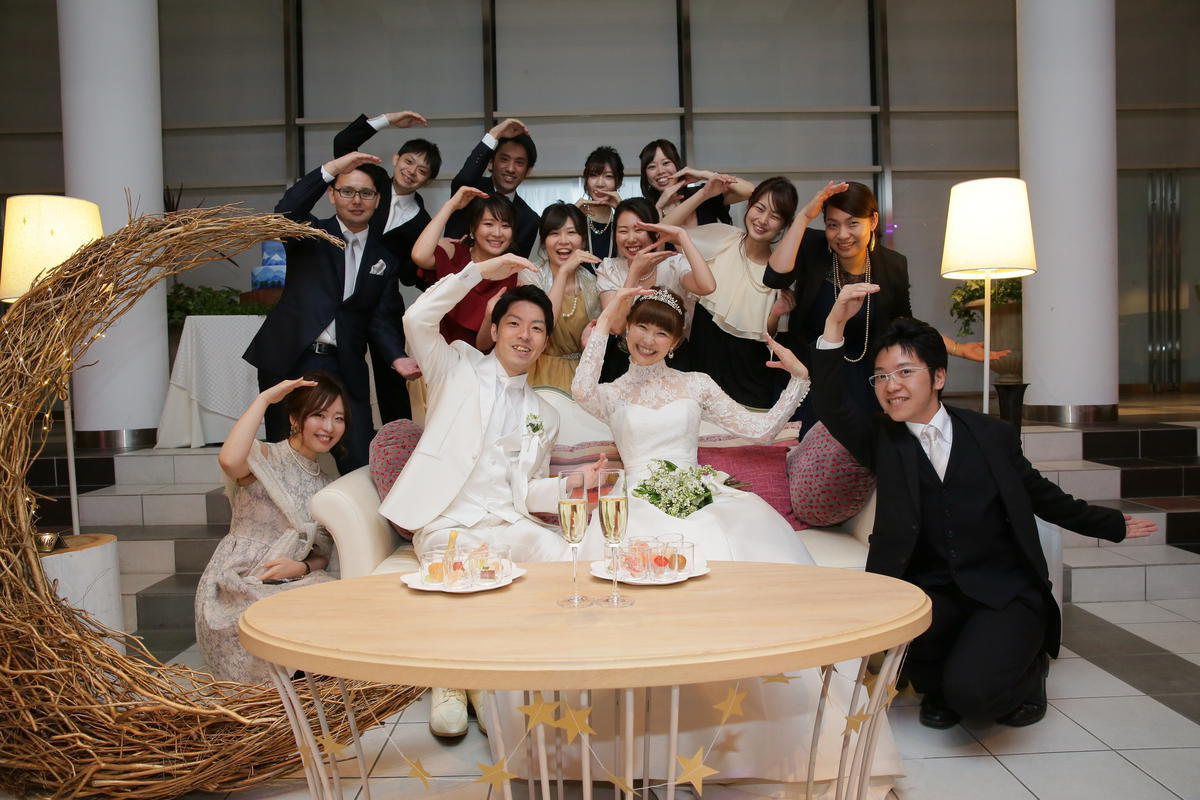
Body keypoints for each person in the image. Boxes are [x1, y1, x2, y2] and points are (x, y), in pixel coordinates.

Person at [491, 286, 899, 795]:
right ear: (626, 331)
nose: (648, 339)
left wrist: (798, 380)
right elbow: (580, 385)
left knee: (732, 578)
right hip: (635, 503)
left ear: (677, 340)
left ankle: (746, 742)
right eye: (641, 326)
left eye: (661, 331)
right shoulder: (610, 393)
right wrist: (612, 310)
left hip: (698, 494)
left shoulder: (697, 384)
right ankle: (631, 748)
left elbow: (761, 430)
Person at [813, 285, 1157, 729]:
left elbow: (1040, 494)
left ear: (938, 377)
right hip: (931, 592)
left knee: (973, 698)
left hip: (1001, 590)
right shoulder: (881, 438)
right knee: (933, 685)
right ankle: (943, 683)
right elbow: (832, 404)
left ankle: (1030, 670)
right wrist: (835, 323)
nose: (891, 386)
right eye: (880, 377)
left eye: (904, 372)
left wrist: (1110, 524)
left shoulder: (991, 435)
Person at [378, 252, 605, 737]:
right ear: (496, 329)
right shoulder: (454, 367)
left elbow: (527, 491)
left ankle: (554, 672)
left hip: (508, 523)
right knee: (462, 574)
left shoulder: (546, 413)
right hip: (448, 521)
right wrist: (477, 272)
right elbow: (416, 318)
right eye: (515, 324)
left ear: (545, 341)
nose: (525, 335)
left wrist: (571, 484)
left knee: (566, 560)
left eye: (537, 328)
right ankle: (456, 683)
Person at [764, 181, 1003, 435]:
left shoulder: (892, 265)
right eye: (833, 225)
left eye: (853, 223)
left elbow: (905, 324)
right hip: (811, 378)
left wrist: (958, 349)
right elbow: (774, 278)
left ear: (873, 221)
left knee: (866, 449)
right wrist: (804, 215)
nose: (842, 234)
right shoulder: (812, 247)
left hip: (865, 383)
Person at [243, 151, 408, 473]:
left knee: (359, 456)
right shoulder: (310, 234)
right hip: (291, 357)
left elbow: (381, 320)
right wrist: (332, 169)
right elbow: (286, 211)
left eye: (366, 193)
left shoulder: (384, 258)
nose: (356, 200)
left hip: (344, 364)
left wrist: (395, 357)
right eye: (347, 191)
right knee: (284, 455)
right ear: (332, 194)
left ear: (377, 200)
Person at [195, 373, 345, 684]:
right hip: (239, 579)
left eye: (338, 418)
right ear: (295, 418)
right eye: (319, 415)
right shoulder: (265, 456)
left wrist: (301, 566)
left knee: (340, 603)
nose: (329, 427)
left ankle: (314, 700)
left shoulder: (325, 481)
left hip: (290, 580)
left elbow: (322, 553)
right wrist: (264, 399)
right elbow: (229, 460)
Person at [333, 108, 440, 424]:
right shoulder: (370, 182)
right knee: (342, 372)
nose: (412, 172)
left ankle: (398, 440)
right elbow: (343, 144)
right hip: (344, 292)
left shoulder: (423, 222)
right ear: (396, 159)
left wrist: (442, 259)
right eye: (409, 161)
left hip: (384, 302)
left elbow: (410, 274)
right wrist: (388, 121)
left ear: (428, 180)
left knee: (394, 377)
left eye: (422, 170)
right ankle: (348, 434)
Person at [662, 174, 800, 409]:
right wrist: (704, 193)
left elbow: (769, 335)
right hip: (704, 361)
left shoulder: (780, 271)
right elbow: (666, 231)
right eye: (759, 208)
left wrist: (776, 314)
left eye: (775, 216)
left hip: (749, 376)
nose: (763, 220)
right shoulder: (723, 237)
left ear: (784, 225)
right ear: (749, 206)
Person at [594, 197, 716, 378]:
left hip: (672, 360)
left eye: (639, 230)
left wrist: (682, 236)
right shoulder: (609, 269)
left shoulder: (673, 265)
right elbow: (617, 326)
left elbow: (707, 286)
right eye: (623, 231)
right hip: (625, 361)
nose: (631, 238)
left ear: (654, 232)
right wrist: (634, 273)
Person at [499, 203, 602, 392]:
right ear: (544, 241)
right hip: (535, 369)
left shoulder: (592, 283)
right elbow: (544, 324)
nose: (563, 240)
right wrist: (563, 273)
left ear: (583, 241)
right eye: (554, 233)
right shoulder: (530, 274)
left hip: (580, 375)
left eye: (571, 233)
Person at [410, 186, 518, 348]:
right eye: (488, 224)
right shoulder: (455, 253)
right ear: (473, 228)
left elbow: (485, 345)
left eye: (505, 226)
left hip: (479, 360)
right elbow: (419, 255)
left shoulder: (513, 273)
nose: (497, 233)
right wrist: (451, 205)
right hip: (434, 352)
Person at [446, 117, 540, 257]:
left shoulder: (529, 219)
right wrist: (494, 134)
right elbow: (465, 178)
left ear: (528, 170)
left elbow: (515, 264)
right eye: (504, 159)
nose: (510, 168)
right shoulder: (470, 191)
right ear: (491, 162)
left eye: (519, 163)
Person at [638, 138, 753, 227]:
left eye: (666, 163)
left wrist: (705, 175)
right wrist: (658, 207)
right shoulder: (643, 211)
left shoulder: (705, 193)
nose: (660, 171)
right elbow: (655, 243)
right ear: (645, 175)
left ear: (677, 165)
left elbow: (750, 191)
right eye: (652, 167)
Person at [574, 145, 624, 260]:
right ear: (586, 180)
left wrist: (622, 210)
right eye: (593, 175)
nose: (600, 184)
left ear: (619, 182)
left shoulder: (622, 223)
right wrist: (572, 215)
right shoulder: (576, 216)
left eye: (608, 176)